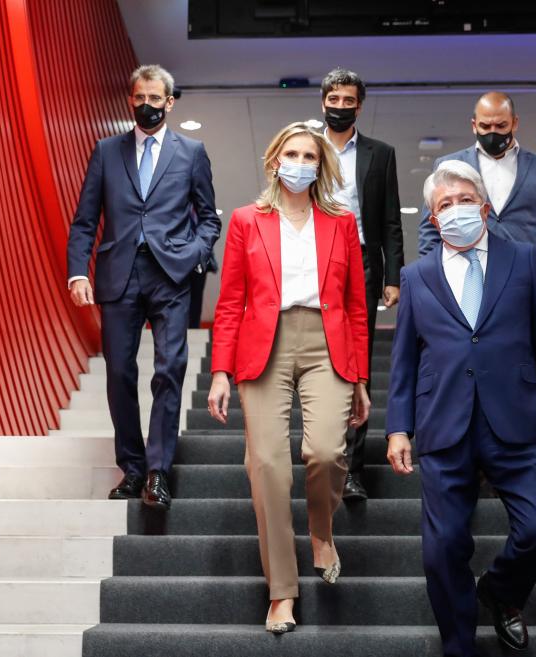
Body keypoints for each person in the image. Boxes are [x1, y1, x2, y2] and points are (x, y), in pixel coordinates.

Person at [389, 160, 536, 657]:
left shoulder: (524, 259)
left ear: (485, 207)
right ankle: (459, 645)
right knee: (443, 547)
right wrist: (397, 427)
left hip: (515, 416)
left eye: (463, 201)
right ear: (431, 219)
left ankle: (500, 591)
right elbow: (404, 358)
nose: (455, 211)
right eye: (443, 205)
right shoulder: (416, 276)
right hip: (443, 421)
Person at [207, 122, 371, 634]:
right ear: (275, 159)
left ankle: (321, 532)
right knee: (269, 467)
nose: (300, 162)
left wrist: (361, 378)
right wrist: (219, 372)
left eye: (310, 156)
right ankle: (282, 590)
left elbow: (356, 306)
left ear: (321, 166)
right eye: (292, 153)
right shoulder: (244, 221)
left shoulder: (341, 222)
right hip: (264, 346)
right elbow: (230, 302)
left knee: (325, 451)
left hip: (328, 344)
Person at [67, 65, 221, 509]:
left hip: (171, 275)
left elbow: (208, 217)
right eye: (140, 98)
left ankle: (157, 471)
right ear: (130, 99)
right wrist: (79, 271)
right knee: (119, 373)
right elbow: (84, 221)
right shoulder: (106, 151)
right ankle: (131, 468)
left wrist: (194, 254)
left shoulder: (191, 153)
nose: (147, 106)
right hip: (118, 274)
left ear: (170, 102)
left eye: (156, 99)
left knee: (169, 370)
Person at [318, 67, 403, 503]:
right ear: (323, 102)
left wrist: (393, 277)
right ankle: (322, 455)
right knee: (318, 359)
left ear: (359, 105)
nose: (340, 108)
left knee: (359, 362)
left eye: (348, 101)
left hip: (363, 262)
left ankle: (352, 468)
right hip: (314, 261)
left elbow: (390, 218)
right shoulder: (305, 149)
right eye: (334, 101)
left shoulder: (380, 153)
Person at [419, 92, 536, 295]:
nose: (492, 132)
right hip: (465, 282)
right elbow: (430, 230)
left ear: (514, 123)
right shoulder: (448, 166)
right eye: (485, 126)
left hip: (527, 284)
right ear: (474, 125)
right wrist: (435, 280)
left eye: (501, 126)